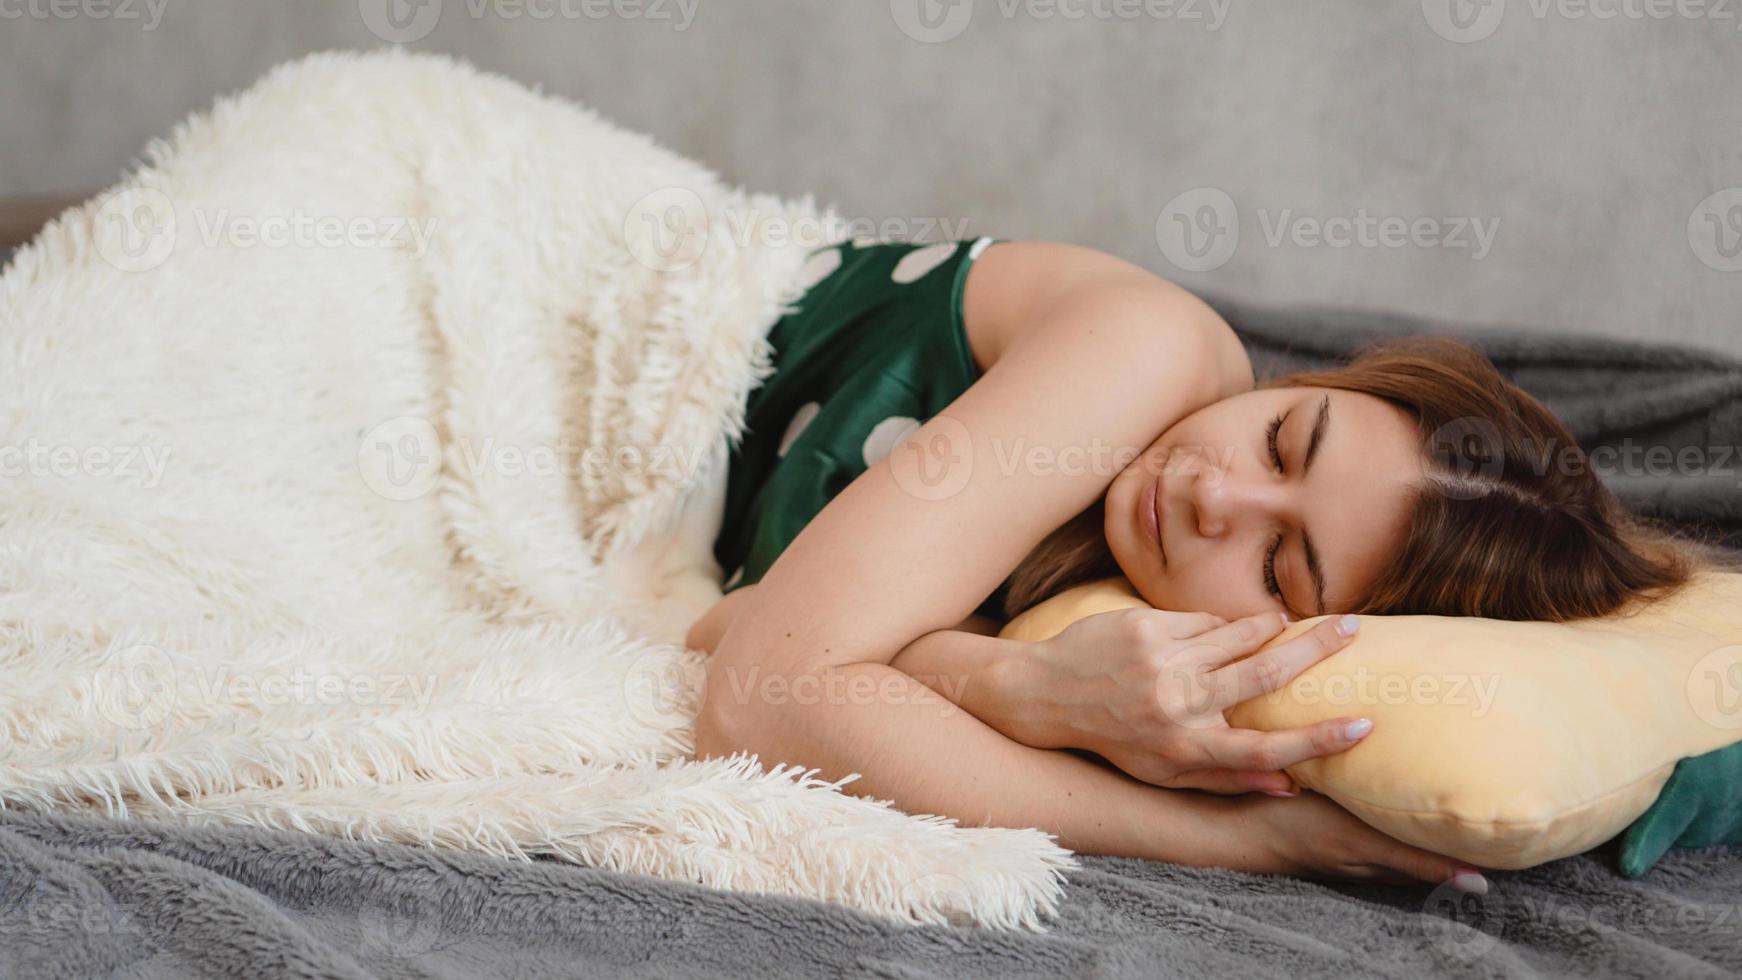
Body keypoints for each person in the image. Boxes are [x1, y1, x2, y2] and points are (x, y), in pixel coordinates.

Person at [686, 236, 1717, 894]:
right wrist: (1254, 840)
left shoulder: (1108, 607)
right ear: (1319, 379)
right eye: (1281, 440)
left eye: (1279, 567)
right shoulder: (1147, 350)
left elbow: (753, 637)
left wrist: (997, 676)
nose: (1211, 495)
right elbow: (757, 694)